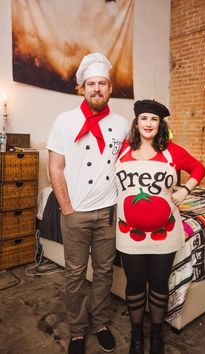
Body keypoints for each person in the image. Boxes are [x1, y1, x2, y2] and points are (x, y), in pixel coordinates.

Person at [47, 52, 130, 354]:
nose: (97, 88)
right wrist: (66, 208)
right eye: (91, 84)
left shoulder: (122, 124)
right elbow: (55, 168)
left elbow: (129, 164)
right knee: (75, 274)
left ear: (110, 88)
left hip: (108, 212)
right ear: (81, 88)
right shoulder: (65, 121)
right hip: (76, 213)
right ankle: (78, 331)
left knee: (105, 272)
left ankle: (101, 323)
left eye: (103, 83)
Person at [115, 99, 205, 354]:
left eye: (154, 119)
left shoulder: (172, 151)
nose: (148, 123)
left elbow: (199, 168)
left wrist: (185, 190)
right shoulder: (121, 150)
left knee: (158, 282)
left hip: (164, 235)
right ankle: (136, 334)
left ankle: (156, 333)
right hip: (128, 235)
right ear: (136, 122)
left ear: (160, 124)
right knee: (134, 284)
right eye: (144, 118)